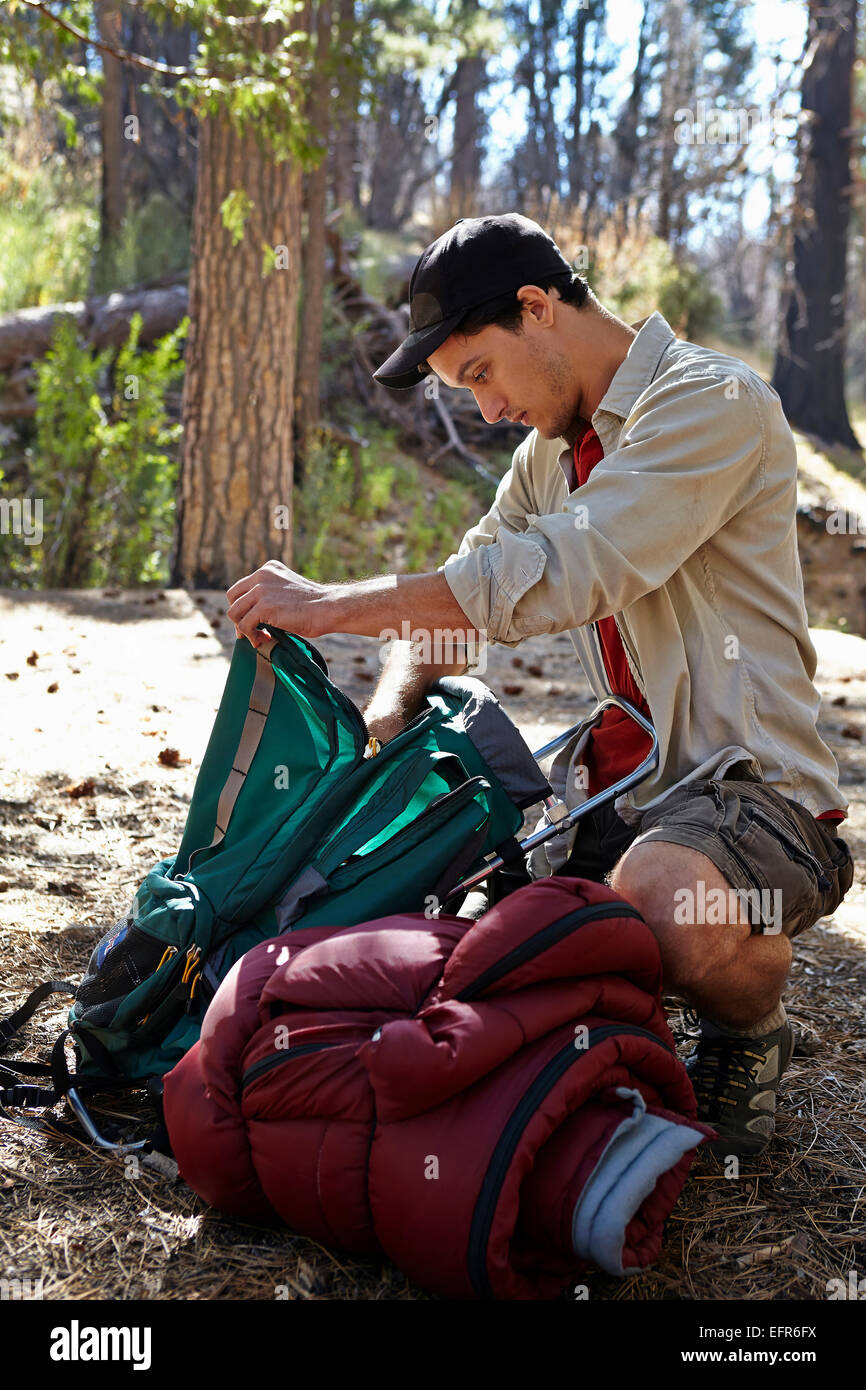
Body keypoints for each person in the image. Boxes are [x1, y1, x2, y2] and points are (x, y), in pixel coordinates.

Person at [225, 213, 855, 1157]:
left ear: (537, 307)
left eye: (480, 373)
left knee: (664, 902)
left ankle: (750, 1021)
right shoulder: (546, 458)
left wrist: (326, 604)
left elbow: (572, 567)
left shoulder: (712, 402)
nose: (484, 409)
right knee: (475, 937)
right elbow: (466, 587)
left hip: (757, 799)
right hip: (612, 796)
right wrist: (393, 712)